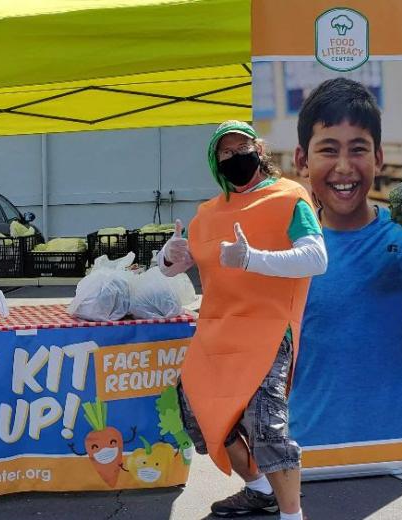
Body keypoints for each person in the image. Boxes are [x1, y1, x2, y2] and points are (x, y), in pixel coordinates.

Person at [157, 121, 327, 520]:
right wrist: (169, 257)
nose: (237, 158)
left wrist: (254, 259)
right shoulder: (208, 214)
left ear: (259, 149)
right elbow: (173, 270)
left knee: (267, 428)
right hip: (216, 331)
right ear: (216, 163)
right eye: (226, 154)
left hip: (267, 329)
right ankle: (259, 489)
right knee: (201, 415)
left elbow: (317, 258)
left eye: (242, 148)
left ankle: (291, 515)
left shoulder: (289, 197)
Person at [288, 78, 402, 445]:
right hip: (310, 451)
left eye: (358, 149)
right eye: (329, 150)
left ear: (378, 158)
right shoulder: (287, 252)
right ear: (302, 160)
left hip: (399, 448)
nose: (344, 167)